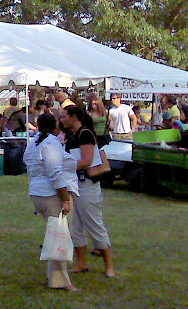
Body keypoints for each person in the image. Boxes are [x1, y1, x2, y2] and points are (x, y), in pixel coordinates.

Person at [24, 112, 79, 291]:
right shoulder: (51, 144)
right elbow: (55, 174)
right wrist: (65, 200)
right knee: (60, 237)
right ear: (54, 126)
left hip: (37, 194)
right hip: (51, 196)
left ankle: (56, 277)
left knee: (56, 236)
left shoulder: (34, 144)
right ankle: (62, 281)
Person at [59, 104, 115, 277]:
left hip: (88, 185)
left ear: (74, 116)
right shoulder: (70, 135)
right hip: (75, 184)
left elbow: (87, 161)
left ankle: (109, 267)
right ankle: (81, 264)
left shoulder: (85, 134)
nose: (61, 120)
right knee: (76, 227)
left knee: (94, 224)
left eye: (64, 116)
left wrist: (63, 167)